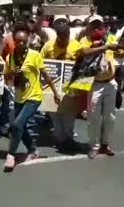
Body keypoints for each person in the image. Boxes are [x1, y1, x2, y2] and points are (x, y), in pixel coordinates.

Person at [3, 23, 61, 170]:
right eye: (18, 41)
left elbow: (46, 75)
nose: (21, 43)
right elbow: (6, 77)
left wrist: (55, 92)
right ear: (14, 41)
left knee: (16, 124)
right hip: (19, 96)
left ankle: (11, 155)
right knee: (20, 127)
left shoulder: (34, 55)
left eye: (24, 41)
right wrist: (12, 74)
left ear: (28, 39)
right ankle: (33, 150)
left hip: (34, 97)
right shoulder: (10, 57)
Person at [79, 15, 120, 159]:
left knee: (110, 117)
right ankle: (94, 146)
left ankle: (105, 143)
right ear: (89, 27)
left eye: (99, 25)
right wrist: (104, 47)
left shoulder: (110, 38)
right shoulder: (85, 40)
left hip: (110, 82)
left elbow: (120, 50)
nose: (96, 28)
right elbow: (84, 52)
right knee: (93, 117)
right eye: (93, 25)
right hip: (94, 84)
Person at [41, 21, 82, 152]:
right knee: (55, 114)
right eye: (61, 37)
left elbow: (83, 63)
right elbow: (40, 62)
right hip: (52, 86)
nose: (64, 40)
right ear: (57, 35)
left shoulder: (76, 46)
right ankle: (60, 140)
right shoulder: (48, 46)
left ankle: (69, 138)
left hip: (70, 86)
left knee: (70, 115)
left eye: (66, 37)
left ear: (69, 34)